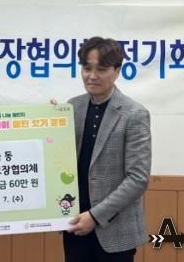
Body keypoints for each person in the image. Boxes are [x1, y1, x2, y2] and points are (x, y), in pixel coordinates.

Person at [63, 36, 151, 262]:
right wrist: (49, 122)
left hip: (116, 232)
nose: (92, 76)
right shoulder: (71, 107)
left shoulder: (135, 114)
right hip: (75, 224)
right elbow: (58, 159)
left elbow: (138, 179)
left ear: (117, 71)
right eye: (86, 68)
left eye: (101, 69)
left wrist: (94, 216)